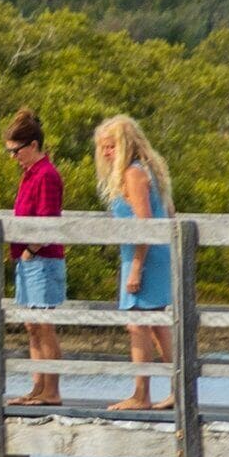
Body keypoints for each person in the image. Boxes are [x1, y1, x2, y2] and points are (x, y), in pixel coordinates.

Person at [93, 113, 177, 412]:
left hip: (145, 256)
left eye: (111, 145)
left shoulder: (133, 173)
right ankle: (178, 389)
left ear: (126, 144)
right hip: (146, 255)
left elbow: (146, 223)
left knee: (138, 324)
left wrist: (136, 267)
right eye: (103, 147)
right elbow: (169, 212)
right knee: (155, 326)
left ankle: (141, 394)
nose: (106, 152)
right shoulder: (148, 170)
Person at [1, 108, 68, 406]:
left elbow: (47, 222)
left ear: (33, 146)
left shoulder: (47, 175)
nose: (13, 157)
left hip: (44, 260)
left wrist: (30, 250)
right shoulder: (29, 175)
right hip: (27, 260)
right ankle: (37, 386)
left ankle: (51, 391)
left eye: (16, 151)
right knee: (31, 325)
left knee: (44, 324)